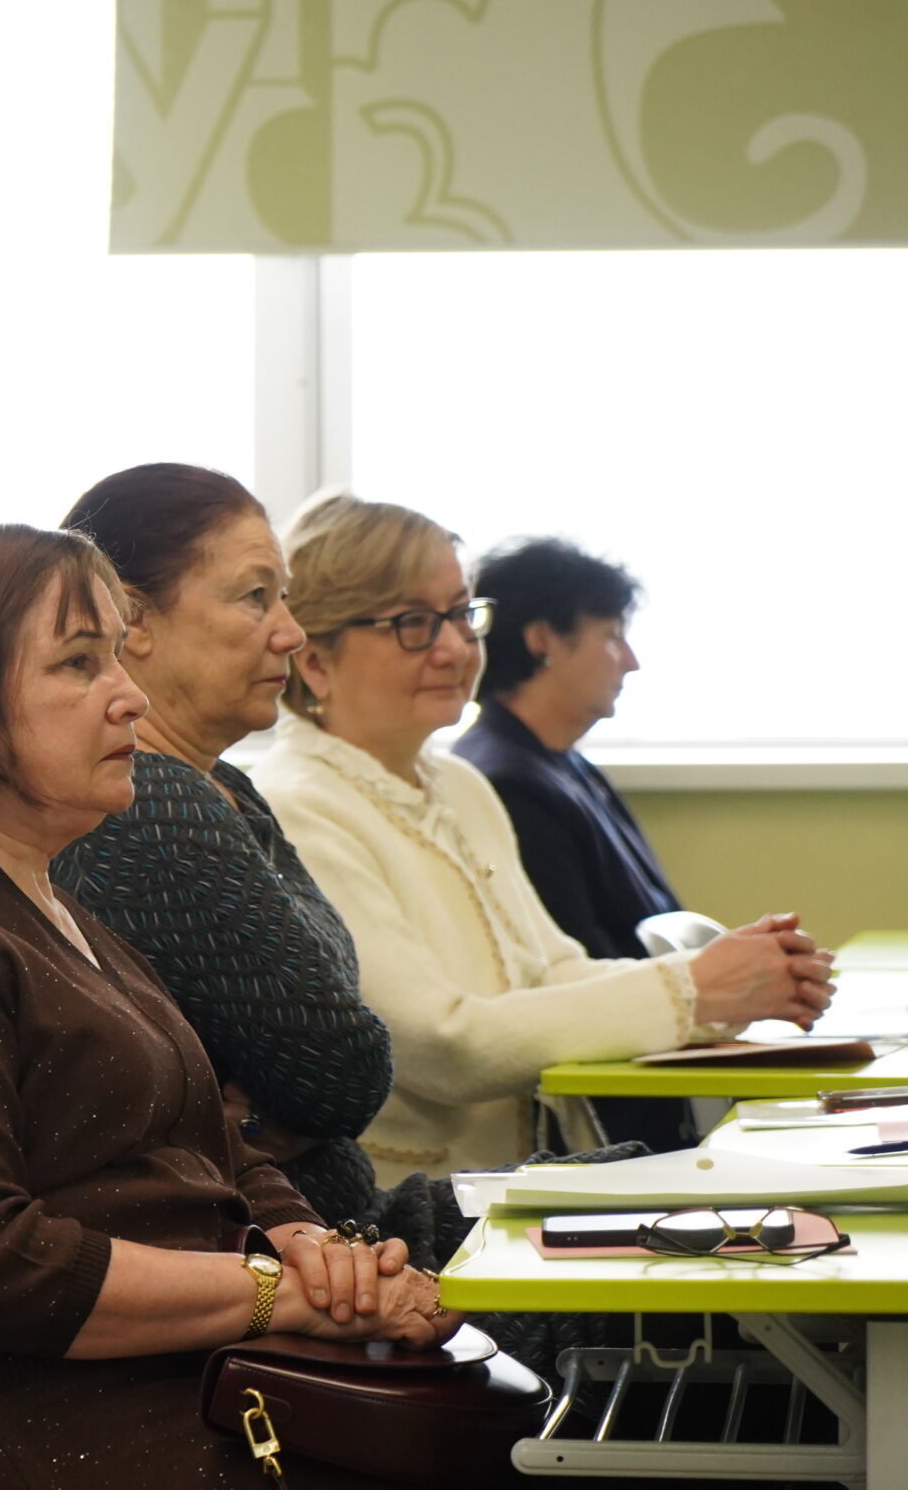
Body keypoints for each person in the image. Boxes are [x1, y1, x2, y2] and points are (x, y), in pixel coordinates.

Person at [0, 523, 460, 1490]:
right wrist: (282, 1297)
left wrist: (310, 1247)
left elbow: (208, 1136)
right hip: (23, 1429)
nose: (130, 694)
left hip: (166, 1387)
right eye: (80, 662)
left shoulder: (29, 885)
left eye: (117, 653)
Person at [248, 492, 832, 1181]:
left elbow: (556, 970)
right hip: (410, 1202)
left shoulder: (459, 784)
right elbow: (443, 1046)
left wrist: (733, 978)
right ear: (315, 660)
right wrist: (693, 990)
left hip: (527, 1174)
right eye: (414, 624)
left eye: (461, 614)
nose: (455, 647)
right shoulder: (296, 804)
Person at [46, 464, 456, 1259]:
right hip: (295, 1260)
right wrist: (292, 1112)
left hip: (340, 1230)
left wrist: (276, 1112)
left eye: (285, 598)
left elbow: (335, 1052)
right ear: (133, 619)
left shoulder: (225, 784)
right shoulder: (151, 806)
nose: (291, 633)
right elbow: (346, 1073)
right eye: (255, 596)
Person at [455, 537, 698, 963]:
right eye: (613, 637)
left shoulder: (562, 762)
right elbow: (579, 963)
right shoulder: (509, 785)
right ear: (542, 640)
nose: (631, 661)